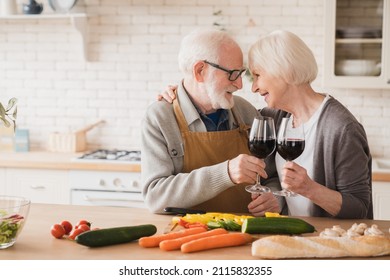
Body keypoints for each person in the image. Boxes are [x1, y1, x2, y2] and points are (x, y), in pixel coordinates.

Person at [160, 30, 373, 219]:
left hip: (329, 245)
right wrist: (182, 95)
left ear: (284, 71)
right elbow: (272, 179)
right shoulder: (274, 118)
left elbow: (360, 209)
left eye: (258, 75)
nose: (252, 87)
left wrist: (310, 189)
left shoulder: (342, 129)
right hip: (290, 238)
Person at [141, 28, 282, 215]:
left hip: (245, 235)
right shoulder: (160, 117)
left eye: (241, 73)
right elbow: (156, 197)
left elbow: (272, 176)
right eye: (232, 74)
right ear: (200, 71)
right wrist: (225, 173)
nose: (240, 85)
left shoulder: (245, 111)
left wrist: (273, 198)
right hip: (186, 237)